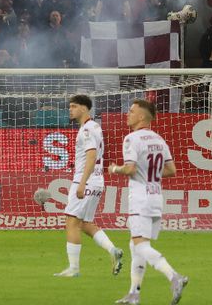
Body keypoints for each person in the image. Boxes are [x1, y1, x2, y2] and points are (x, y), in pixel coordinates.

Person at [108, 99, 189, 305]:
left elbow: (130, 169)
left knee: (141, 246)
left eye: (132, 111)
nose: (128, 114)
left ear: (142, 117)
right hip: (155, 198)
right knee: (136, 245)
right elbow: (171, 170)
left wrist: (115, 168)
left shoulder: (131, 139)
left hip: (140, 199)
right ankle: (134, 294)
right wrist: (149, 173)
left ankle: (174, 277)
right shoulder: (159, 140)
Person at [54, 95, 124, 279]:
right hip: (97, 181)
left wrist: (82, 183)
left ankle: (74, 269)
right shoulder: (95, 127)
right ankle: (113, 250)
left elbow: (91, 157)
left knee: (71, 222)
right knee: (84, 224)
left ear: (84, 109)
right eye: (70, 106)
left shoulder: (86, 130)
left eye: (74, 106)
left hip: (86, 181)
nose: (70, 109)